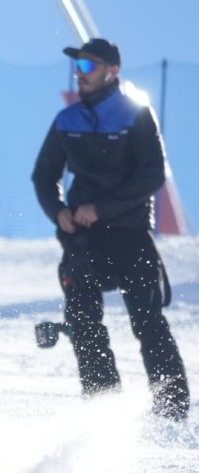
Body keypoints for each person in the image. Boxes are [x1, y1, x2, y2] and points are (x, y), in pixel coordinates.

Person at [32, 38, 190, 422]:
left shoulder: (136, 114)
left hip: (129, 233)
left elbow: (152, 175)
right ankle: (104, 408)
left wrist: (100, 209)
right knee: (83, 319)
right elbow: (44, 175)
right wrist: (59, 212)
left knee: (147, 320)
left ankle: (172, 411)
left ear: (112, 71)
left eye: (88, 66)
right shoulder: (66, 120)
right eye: (77, 66)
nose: (80, 74)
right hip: (83, 239)